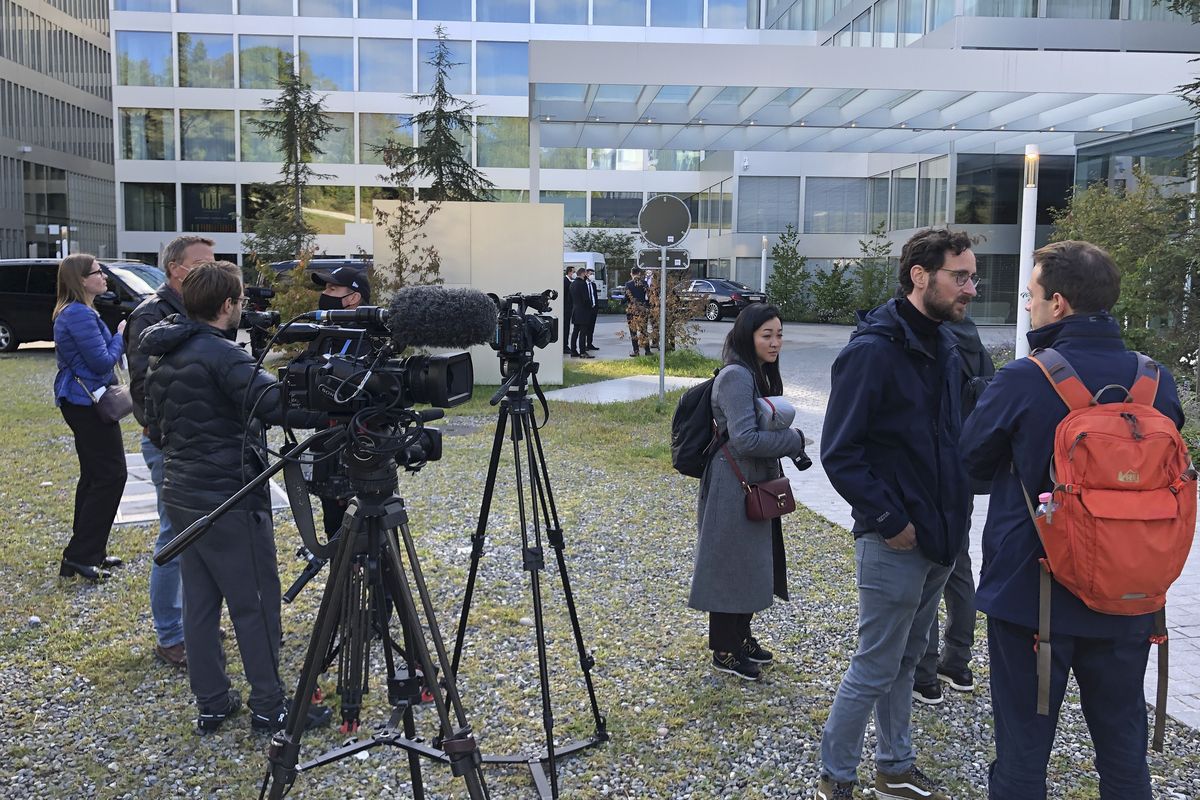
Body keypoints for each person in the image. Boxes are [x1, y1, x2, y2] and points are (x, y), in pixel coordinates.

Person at [960, 241, 1183, 800]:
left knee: (1023, 756)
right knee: (1124, 754)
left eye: (1030, 295)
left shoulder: (1024, 378)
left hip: (1033, 597)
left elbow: (972, 464)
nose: (1027, 305)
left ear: (1057, 303)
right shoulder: (1156, 381)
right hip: (1129, 594)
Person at [816, 227, 977, 800]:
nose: (971, 288)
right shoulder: (872, 351)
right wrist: (889, 521)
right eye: (960, 276)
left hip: (941, 538)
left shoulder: (946, 345)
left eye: (973, 277)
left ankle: (895, 768)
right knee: (875, 665)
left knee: (907, 660)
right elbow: (840, 452)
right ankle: (836, 777)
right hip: (894, 541)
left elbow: (952, 440)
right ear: (919, 276)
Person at [142, 261, 332, 735]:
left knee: (200, 603)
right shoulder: (222, 356)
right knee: (255, 602)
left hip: (183, 491)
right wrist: (329, 400)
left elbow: (156, 426)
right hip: (228, 496)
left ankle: (212, 702)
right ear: (228, 304)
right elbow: (276, 405)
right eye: (241, 300)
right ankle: (269, 706)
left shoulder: (164, 351)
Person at [688, 303, 807, 681]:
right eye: (766, 335)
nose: (775, 343)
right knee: (730, 564)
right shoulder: (737, 376)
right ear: (747, 336)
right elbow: (746, 439)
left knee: (754, 561)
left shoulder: (758, 372)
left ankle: (741, 636)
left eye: (779, 335)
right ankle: (724, 648)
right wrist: (794, 439)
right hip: (732, 483)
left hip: (753, 480)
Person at [126, 235, 214, 669]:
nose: (210, 270)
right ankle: (170, 635)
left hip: (202, 441)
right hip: (171, 444)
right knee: (175, 536)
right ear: (175, 269)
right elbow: (143, 387)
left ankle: (193, 623)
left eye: (214, 262)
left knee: (201, 536)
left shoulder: (202, 309)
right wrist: (169, 432)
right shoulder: (150, 315)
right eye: (201, 263)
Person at [911, 316, 994, 705]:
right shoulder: (978, 347)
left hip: (933, 471)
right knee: (958, 567)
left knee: (927, 572)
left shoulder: (935, 344)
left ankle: (924, 673)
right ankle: (958, 663)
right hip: (966, 472)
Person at [52, 253, 128, 583]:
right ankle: (81, 554)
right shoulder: (79, 314)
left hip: (82, 402)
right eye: (98, 272)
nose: (104, 277)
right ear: (81, 280)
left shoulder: (78, 311)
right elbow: (101, 362)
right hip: (87, 403)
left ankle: (88, 552)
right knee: (112, 475)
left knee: (95, 476)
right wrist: (120, 335)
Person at [309, 265, 372, 539]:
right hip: (326, 445)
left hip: (360, 446)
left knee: (369, 528)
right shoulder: (325, 333)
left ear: (353, 298)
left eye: (332, 288)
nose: (325, 294)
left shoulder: (371, 337)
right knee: (334, 529)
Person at [623, 267, 650, 357]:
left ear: (631, 274)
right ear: (639, 273)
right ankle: (647, 350)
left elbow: (626, 297)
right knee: (644, 331)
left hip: (632, 310)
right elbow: (648, 296)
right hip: (642, 309)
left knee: (633, 331)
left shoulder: (628, 284)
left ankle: (636, 351)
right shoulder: (644, 283)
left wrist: (621, 301)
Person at [569, 267, 595, 358]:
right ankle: (582, 352)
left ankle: (573, 351)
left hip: (575, 311)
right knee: (583, 333)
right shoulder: (582, 284)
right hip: (583, 311)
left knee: (575, 332)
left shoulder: (572, 284)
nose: (587, 276)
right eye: (586, 274)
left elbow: (570, 298)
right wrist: (590, 307)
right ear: (583, 274)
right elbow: (586, 299)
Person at [563, 266, 576, 356]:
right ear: (569, 272)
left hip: (569, 308)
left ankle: (566, 345)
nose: (574, 273)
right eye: (573, 272)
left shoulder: (570, 281)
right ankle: (564, 346)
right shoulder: (565, 281)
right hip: (566, 308)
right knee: (565, 327)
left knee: (567, 327)